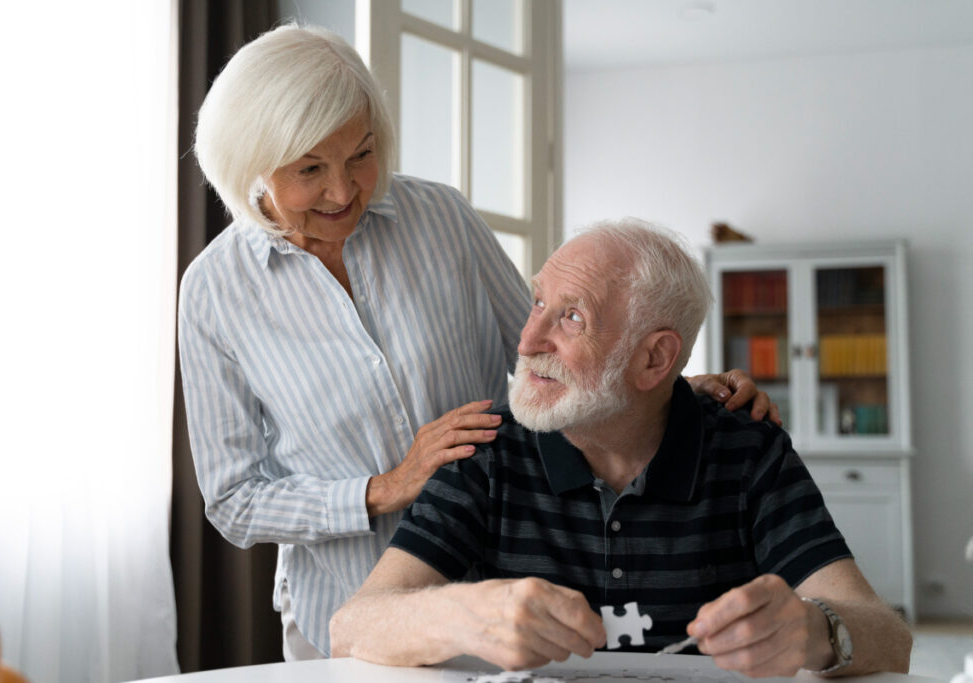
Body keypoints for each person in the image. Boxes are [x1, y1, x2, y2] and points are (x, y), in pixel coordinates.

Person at [179, 24, 775, 660]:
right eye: (309, 170)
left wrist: (663, 387)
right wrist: (383, 487)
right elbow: (235, 499)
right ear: (251, 165)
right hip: (346, 614)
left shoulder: (441, 219)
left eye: (362, 153)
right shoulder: (214, 292)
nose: (344, 190)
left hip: (499, 598)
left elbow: (554, 360)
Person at [330, 219, 912, 677]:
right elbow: (352, 627)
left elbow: (890, 638)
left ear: (655, 359)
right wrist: (461, 615)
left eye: (572, 316)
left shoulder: (749, 448)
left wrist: (813, 632)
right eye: (538, 302)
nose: (528, 340)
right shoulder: (487, 448)